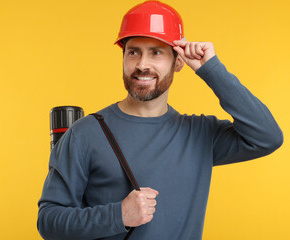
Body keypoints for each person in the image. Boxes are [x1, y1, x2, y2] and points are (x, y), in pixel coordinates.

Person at [37, 1, 283, 239]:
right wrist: (118, 215)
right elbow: (48, 221)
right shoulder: (85, 133)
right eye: (133, 52)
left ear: (178, 62)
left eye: (156, 53)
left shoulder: (199, 135)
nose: (142, 64)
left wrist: (211, 69)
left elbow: (267, 137)